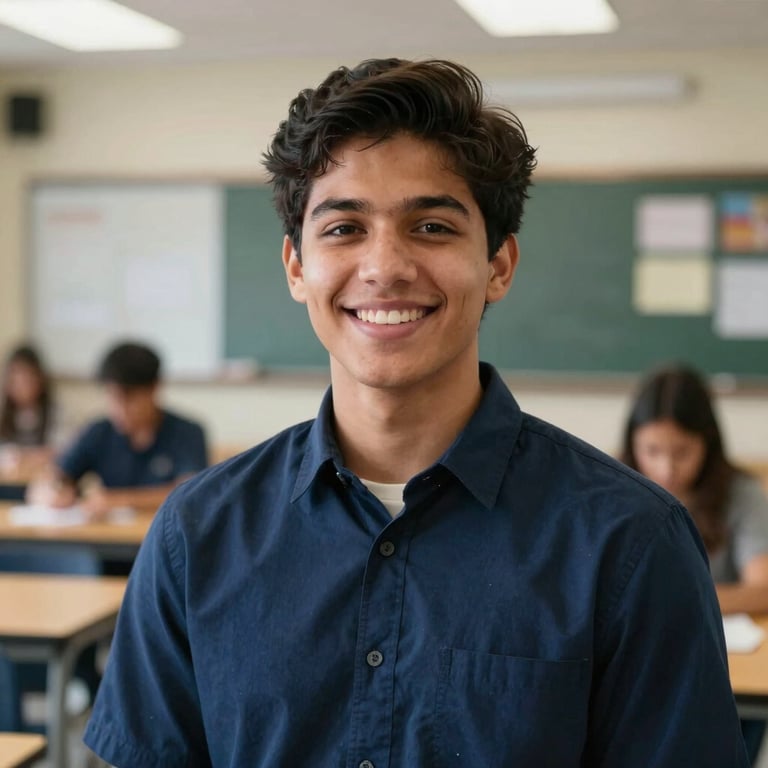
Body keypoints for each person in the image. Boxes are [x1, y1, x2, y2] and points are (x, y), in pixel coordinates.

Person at [83, 58, 747, 767]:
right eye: (343, 229)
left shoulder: (631, 545)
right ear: (295, 267)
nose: (385, 266)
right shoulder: (197, 536)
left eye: (431, 225)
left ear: (498, 265)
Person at [621, 362, 768, 763]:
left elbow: (762, 589)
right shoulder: (612, 489)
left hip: (718, 672)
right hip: (636, 666)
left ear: (708, 444)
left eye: (682, 452)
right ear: (632, 443)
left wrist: (681, 601)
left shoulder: (740, 494)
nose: (666, 469)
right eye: (652, 451)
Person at [28, 340, 208, 516]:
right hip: (110, 541)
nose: (119, 408)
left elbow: (190, 493)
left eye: (128, 398)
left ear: (154, 388)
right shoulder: (99, 431)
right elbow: (53, 477)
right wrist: (50, 492)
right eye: (112, 397)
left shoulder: (187, 432)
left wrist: (118, 500)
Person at [0, 344, 59, 476]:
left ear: (40, 378)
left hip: (41, 482)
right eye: (15, 377)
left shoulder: (56, 412)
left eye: (27, 377)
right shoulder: (3, 411)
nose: (22, 384)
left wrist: (26, 457)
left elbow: (63, 451)